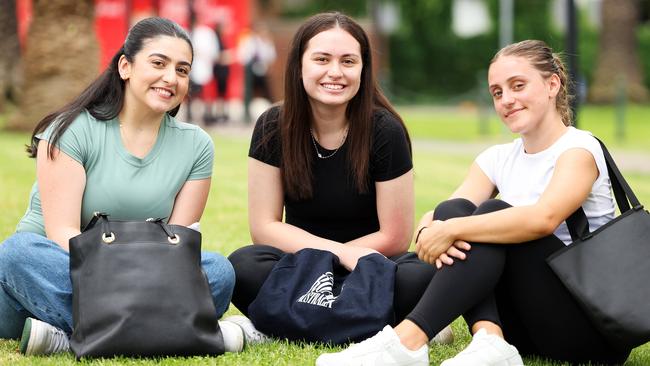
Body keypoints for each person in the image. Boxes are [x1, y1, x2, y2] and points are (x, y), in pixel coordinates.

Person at [317, 39, 632, 366]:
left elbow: (543, 219)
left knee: (490, 215)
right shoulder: (498, 158)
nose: (507, 100)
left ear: (553, 84)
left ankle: (408, 340)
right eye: (497, 92)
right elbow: (440, 214)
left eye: (518, 86)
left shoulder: (580, 149)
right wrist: (432, 230)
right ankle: (491, 340)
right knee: (454, 212)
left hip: (589, 329)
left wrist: (451, 229)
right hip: (525, 328)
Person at [0, 17, 253, 356]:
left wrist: (135, 279)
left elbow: (179, 244)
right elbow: (62, 233)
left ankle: (68, 336)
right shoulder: (71, 129)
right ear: (125, 66)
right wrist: (127, 282)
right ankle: (167, 330)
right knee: (18, 253)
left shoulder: (197, 146)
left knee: (218, 271)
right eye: (159, 64)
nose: (170, 78)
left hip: (148, 272)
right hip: (61, 270)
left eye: (181, 70)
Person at [228, 12, 452, 346]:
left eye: (348, 61)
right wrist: (333, 253)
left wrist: (350, 257)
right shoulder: (272, 125)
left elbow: (394, 236)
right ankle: (376, 325)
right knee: (244, 266)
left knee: (420, 275)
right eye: (322, 59)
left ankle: (278, 321)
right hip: (300, 264)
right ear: (299, 65)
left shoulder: (384, 131)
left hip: (370, 267)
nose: (335, 72)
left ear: (363, 68)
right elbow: (264, 227)